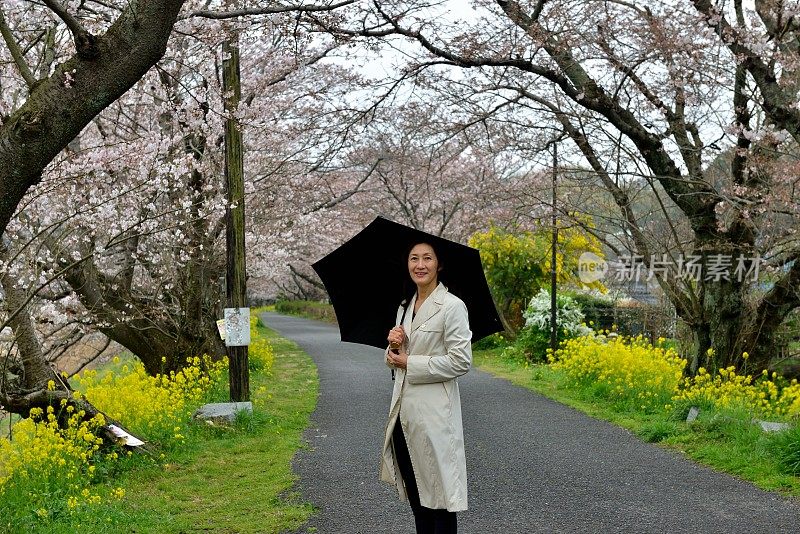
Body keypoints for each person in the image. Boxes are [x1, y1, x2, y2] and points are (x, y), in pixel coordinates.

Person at [381, 241, 472, 534]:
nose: (420, 265)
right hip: (404, 417)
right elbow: (396, 360)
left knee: (440, 500)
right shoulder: (404, 307)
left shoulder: (452, 306)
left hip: (435, 417)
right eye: (414, 259)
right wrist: (393, 347)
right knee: (419, 498)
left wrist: (410, 362)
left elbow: (460, 362)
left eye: (427, 258)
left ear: (439, 264)